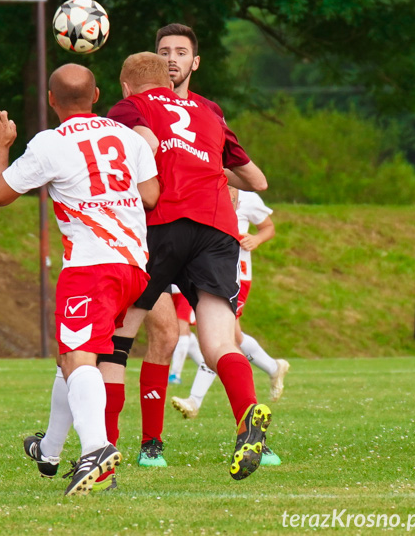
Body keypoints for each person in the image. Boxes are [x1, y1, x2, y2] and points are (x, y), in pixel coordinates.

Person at [98, 24, 269, 476]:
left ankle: (105, 450)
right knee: (217, 341)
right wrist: (208, 168)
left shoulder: (132, 104)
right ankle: (247, 415)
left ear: (194, 62)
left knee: (118, 338)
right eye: (164, 52)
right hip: (216, 229)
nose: (172, 58)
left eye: (180, 52)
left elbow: (142, 146)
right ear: (158, 62)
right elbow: (257, 181)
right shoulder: (211, 113)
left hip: (161, 225)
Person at [0, 64, 159, 495]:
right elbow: (152, 195)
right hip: (135, 267)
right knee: (72, 358)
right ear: (97, 94)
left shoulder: (50, 143)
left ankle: (98, 449)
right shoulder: (128, 136)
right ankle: (50, 449)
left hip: (91, 267)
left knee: (80, 358)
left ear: (50, 100)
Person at [172, 188, 290, 465]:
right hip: (206, 275)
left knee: (222, 340)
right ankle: (274, 367)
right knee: (230, 338)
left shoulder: (247, 196)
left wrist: (256, 239)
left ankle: (195, 400)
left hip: (236, 276)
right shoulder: (199, 188)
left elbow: (268, 227)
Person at [167, 286, 199, 385]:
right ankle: (206, 365)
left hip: (185, 289)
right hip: (169, 289)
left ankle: (175, 375)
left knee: (181, 329)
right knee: (182, 330)